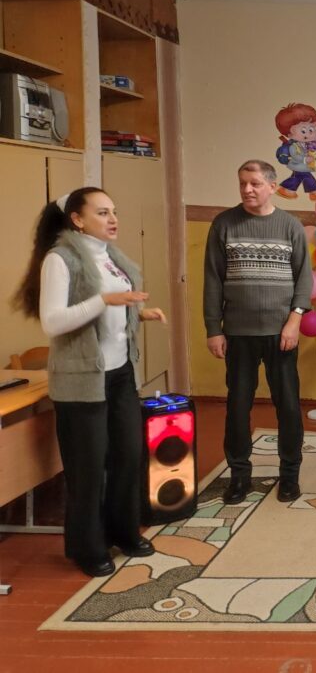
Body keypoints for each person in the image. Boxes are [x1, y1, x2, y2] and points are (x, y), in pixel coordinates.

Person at [12, 187, 166, 577]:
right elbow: (54, 321)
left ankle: (124, 532)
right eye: (102, 212)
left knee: (127, 456)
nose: (112, 219)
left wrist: (139, 313)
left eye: (114, 211)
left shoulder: (112, 257)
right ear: (77, 220)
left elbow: (110, 311)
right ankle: (88, 547)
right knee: (88, 467)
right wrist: (105, 302)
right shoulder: (60, 259)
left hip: (121, 373)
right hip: (81, 379)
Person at [204, 160, 312, 505]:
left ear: (271, 186)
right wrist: (213, 329)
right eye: (242, 183)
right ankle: (239, 476)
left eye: (254, 183)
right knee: (238, 407)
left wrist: (294, 321)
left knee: (289, 407)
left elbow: (304, 279)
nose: (247, 189)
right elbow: (212, 280)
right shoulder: (224, 224)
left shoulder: (290, 226)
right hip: (238, 333)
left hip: (281, 334)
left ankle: (290, 475)